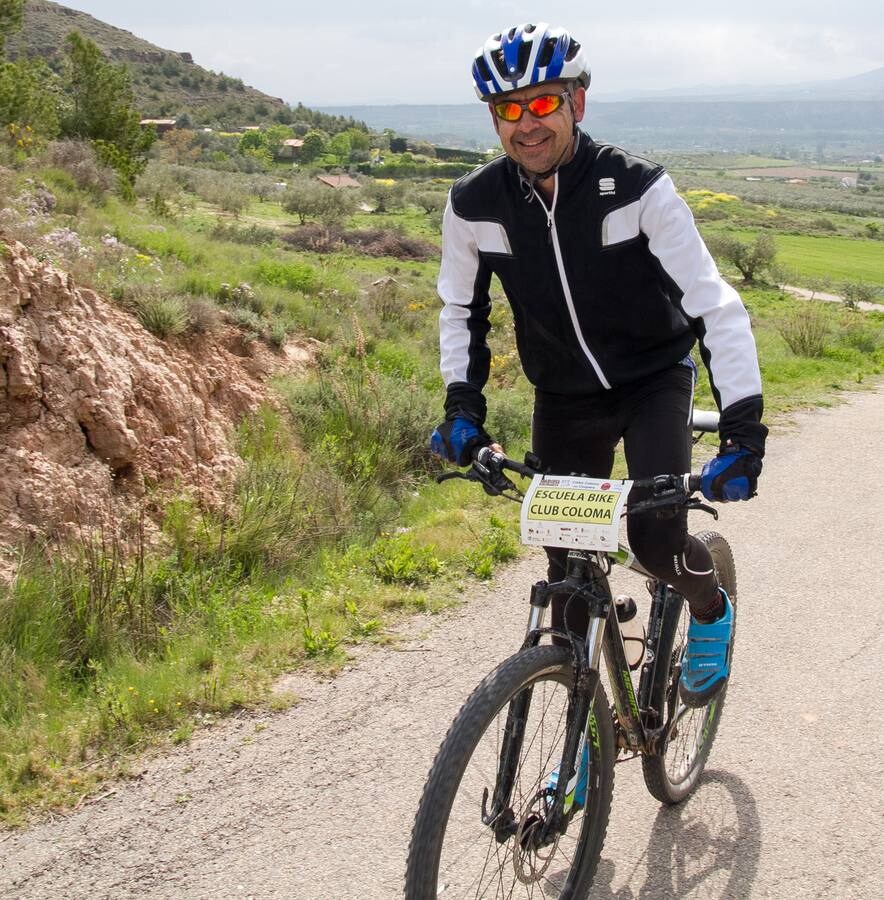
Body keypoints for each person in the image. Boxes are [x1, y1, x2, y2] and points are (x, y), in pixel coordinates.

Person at [430, 22, 767, 708]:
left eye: (543, 104)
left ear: (577, 103)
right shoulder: (473, 205)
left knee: (653, 534)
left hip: (652, 383)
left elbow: (715, 307)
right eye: (508, 110)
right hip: (564, 397)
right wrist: (463, 410)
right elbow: (462, 314)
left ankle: (708, 609)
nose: (526, 125)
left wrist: (744, 435)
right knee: (565, 569)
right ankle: (581, 749)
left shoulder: (638, 188)